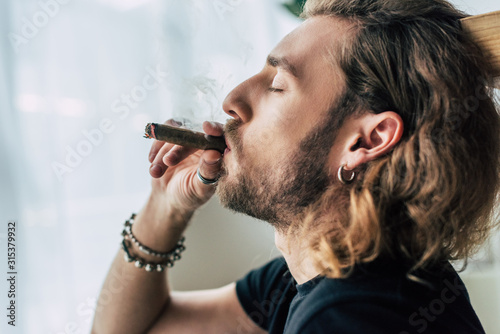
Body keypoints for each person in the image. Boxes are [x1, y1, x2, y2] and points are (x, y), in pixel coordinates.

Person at [92, 0, 500, 333]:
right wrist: (166, 210)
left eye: (277, 86)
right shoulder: (314, 275)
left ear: (366, 141)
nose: (232, 99)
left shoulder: (351, 319)